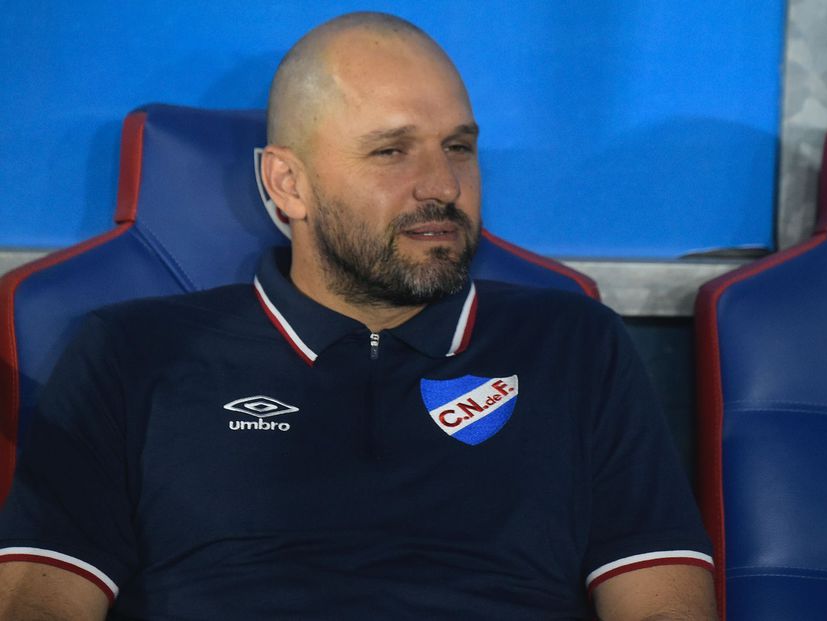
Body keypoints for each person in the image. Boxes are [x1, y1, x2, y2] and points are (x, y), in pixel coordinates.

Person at [0, 12, 715, 620]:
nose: (442, 185)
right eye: (391, 151)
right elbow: (39, 601)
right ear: (288, 184)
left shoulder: (573, 343)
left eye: (458, 147)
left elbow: (662, 600)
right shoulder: (132, 352)